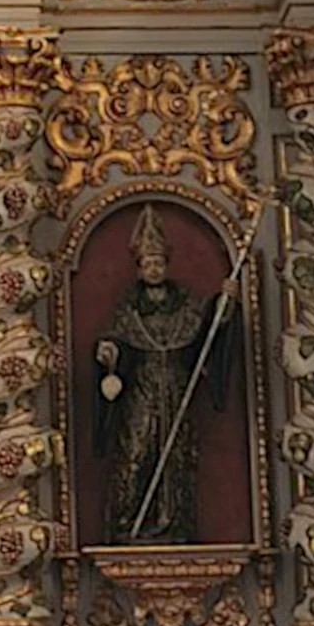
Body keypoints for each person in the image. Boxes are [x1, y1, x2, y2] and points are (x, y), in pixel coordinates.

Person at [94, 203, 239, 543]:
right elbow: (117, 337)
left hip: (176, 383)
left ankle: (173, 524)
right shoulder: (130, 306)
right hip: (142, 386)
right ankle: (128, 524)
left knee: (175, 452)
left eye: (159, 263)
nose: (154, 269)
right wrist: (109, 351)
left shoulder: (185, 303)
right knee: (138, 449)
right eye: (148, 264)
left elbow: (209, 328)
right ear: (139, 267)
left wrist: (226, 302)